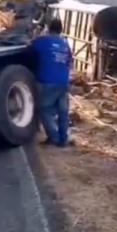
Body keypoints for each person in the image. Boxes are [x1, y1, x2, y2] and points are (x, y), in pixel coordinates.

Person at [31, 17, 73, 147]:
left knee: (44, 109)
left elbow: (30, 48)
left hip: (47, 81)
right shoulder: (65, 44)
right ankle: (63, 139)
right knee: (63, 112)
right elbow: (70, 62)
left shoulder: (43, 41)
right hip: (63, 82)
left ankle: (54, 137)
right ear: (61, 29)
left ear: (48, 28)